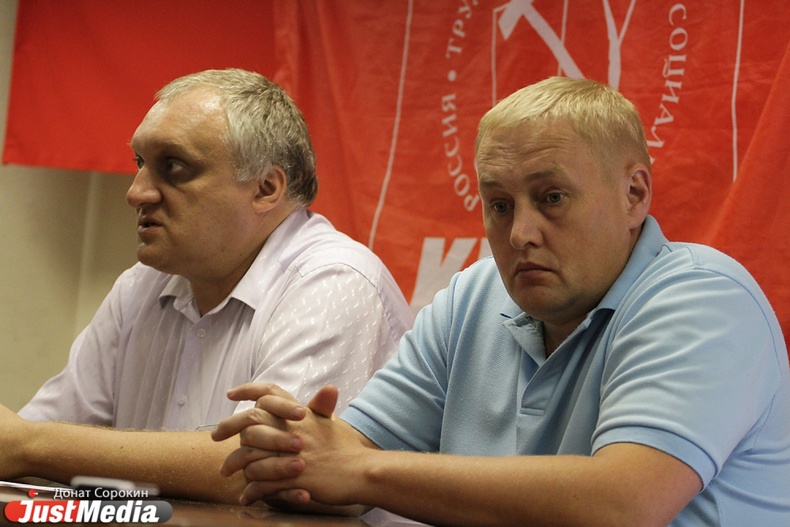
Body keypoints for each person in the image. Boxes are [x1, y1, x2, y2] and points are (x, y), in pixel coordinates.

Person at [212, 76, 790, 526]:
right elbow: (347, 466)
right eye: (499, 205)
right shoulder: (475, 294)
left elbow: (622, 505)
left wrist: (358, 470)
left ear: (634, 194)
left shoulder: (704, 296)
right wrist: (290, 452)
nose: (520, 234)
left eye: (552, 197)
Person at [0, 68, 413, 504]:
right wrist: (28, 447)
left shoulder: (334, 282)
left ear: (266, 188)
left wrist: (31, 446)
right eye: (140, 164)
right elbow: (26, 449)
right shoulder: (140, 286)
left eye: (173, 167)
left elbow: (261, 471)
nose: (137, 193)